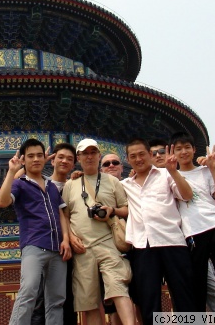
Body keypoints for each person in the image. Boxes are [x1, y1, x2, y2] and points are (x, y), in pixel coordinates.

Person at [121, 138, 196, 323]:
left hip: (171, 241)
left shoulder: (166, 175)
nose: (138, 159)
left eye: (141, 154)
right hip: (142, 246)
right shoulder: (125, 185)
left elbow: (187, 195)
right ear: (128, 160)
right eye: (133, 156)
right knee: (149, 300)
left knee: (184, 295)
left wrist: (173, 171)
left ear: (150, 155)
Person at [0, 138, 72, 324]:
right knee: (28, 291)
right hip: (34, 245)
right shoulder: (20, 184)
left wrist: (66, 239)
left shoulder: (51, 185)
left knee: (56, 299)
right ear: (23, 160)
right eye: (31, 156)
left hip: (57, 249)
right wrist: (11, 171)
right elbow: (2, 202)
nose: (36, 159)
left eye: (40, 155)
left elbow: (61, 213)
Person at [62, 138, 135, 325]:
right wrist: (69, 236)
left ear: (98, 155)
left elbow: (126, 209)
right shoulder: (71, 185)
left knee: (118, 288)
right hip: (82, 249)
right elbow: (64, 215)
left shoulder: (112, 181)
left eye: (93, 152)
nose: (89, 157)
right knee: (89, 301)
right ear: (78, 158)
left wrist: (112, 210)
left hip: (108, 243)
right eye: (85, 153)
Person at [170, 131, 215, 312]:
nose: (183, 152)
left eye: (187, 147)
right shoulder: (170, 176)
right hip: (193, 233)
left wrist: (214, 169)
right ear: (173, 152)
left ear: (194, 150)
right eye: (179, 149)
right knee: (197, 283)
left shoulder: (205, 171)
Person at [149, 138, 215, 313]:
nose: (159, 156)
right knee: (176, 293)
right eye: (154, 154)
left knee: (213, 291)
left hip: (190, 240)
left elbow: (211, 197)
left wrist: (209, 168)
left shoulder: (179, 176)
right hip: (162, 243)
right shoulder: (145, 182)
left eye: (162, 151)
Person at [29, 143, 78, 325]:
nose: (64, 161)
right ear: (53, 159)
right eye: (60, 157)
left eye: (69, 159)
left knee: (68, 298)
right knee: (40, 298)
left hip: (71, 251)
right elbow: (18, 179)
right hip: (46, 246)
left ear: (75, 163)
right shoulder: (41, 183)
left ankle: (169, 320)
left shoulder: (77, 185)